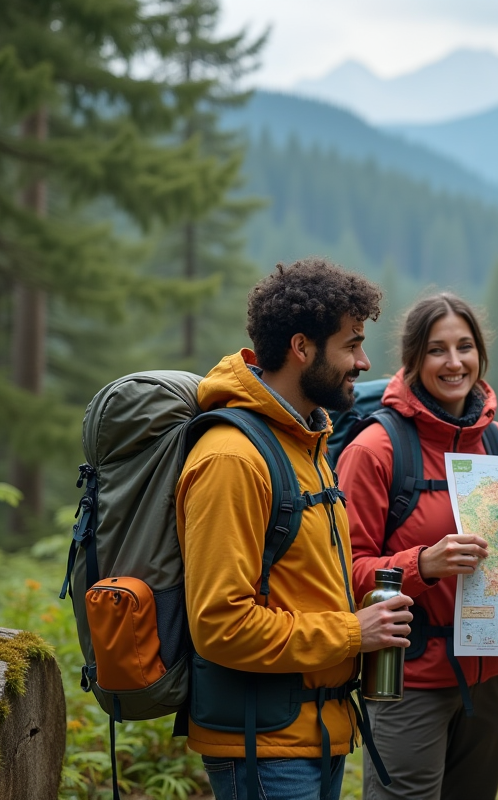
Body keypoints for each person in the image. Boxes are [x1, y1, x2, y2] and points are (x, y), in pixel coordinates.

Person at [177, 257, 415, 800]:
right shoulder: (233, 459)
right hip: (263, 748)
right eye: (351, 345)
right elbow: (220, 625)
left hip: (312, 733)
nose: (364, 361)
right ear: (302, 347)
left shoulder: (305, 443)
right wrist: (356, 632)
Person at [337, 293, 498, 800]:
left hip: (493, 677)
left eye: (465, 346)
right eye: (437, 349)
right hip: (410, 681)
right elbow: (344, 574)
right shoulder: (375, 450)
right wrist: (423, 564)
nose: (454, 362)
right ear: (414, 359)